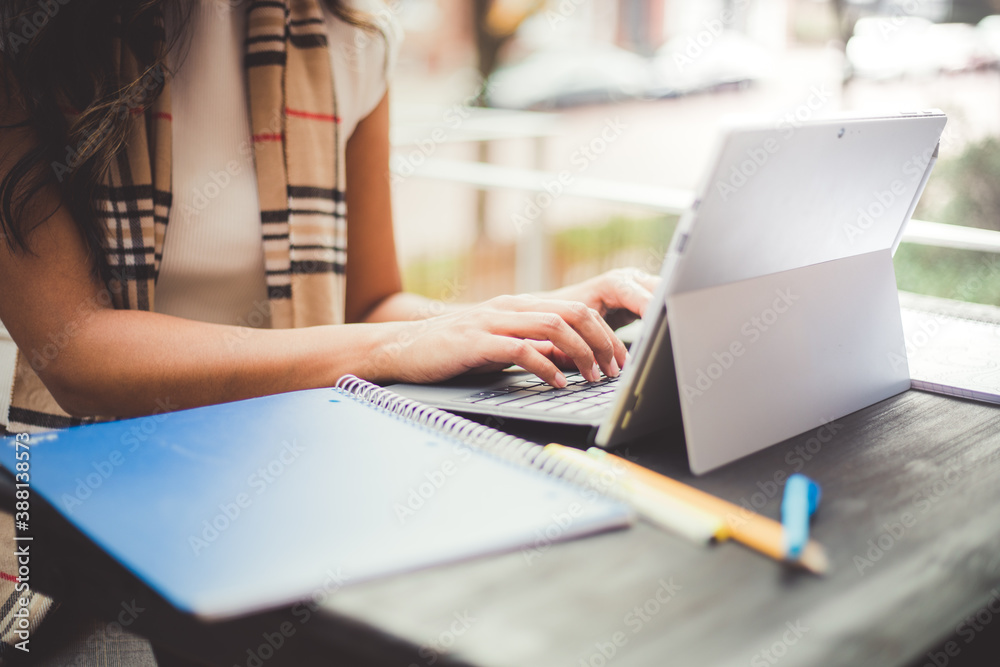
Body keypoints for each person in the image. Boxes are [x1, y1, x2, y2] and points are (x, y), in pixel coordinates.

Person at [0, 0, 657, 660]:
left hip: (294, 476)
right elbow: (76, 346)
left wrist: (517, 320)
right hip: (94, 491)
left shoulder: (357, 40)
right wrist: (390, 346)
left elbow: (371, 303)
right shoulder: (31, 42)